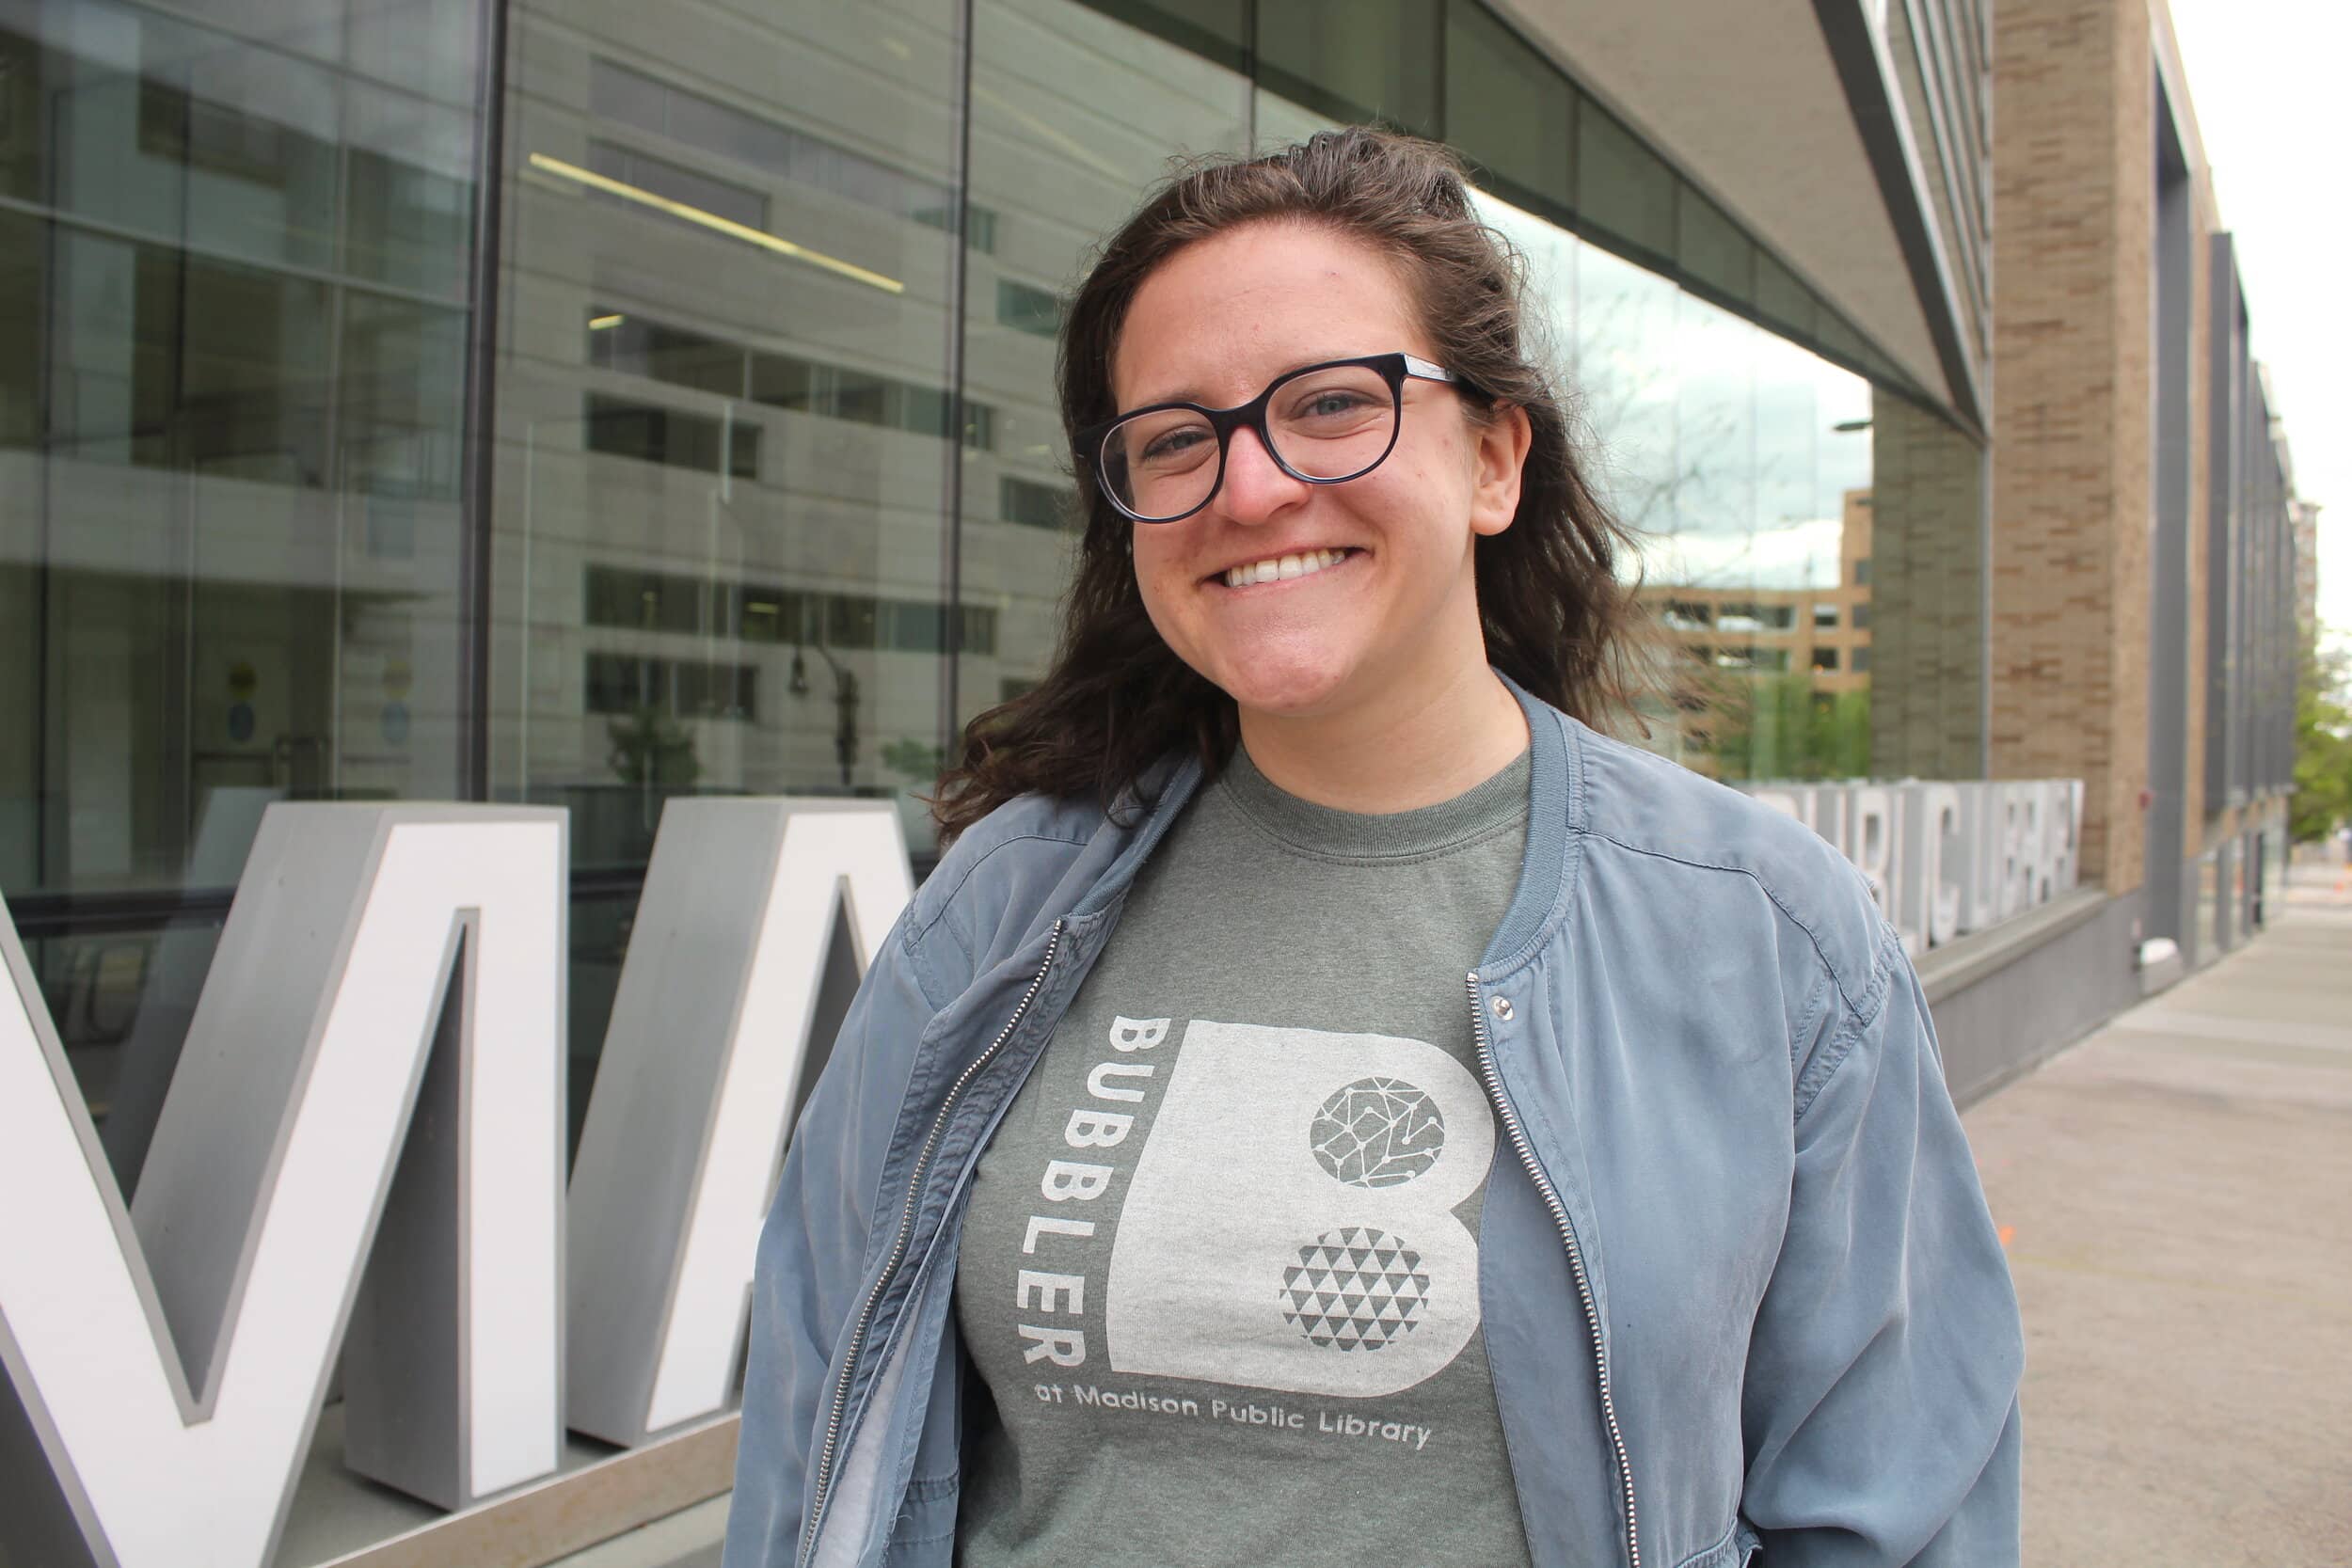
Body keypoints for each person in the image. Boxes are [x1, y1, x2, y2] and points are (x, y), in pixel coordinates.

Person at [723, 128, 2022, 1568]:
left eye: (1333, 404)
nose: (1251, 485)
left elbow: (1898, 1501)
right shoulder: (1002, 906)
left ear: (1493, 457)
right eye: (1174, 437)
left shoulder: (1763, 934)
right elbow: (814, 1411)